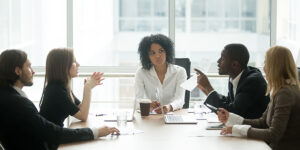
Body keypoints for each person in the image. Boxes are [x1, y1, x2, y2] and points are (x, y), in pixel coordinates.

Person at [0, 49, 119, 150]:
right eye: (29, 66)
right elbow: (53, 133)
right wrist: (95, 132)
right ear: (17, 71)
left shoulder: (9, 96)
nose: (34, 71)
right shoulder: (18, 102)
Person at [218, 46, 300, 149]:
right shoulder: (281, 90)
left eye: (266, 63)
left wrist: (237, 129)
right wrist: (231, 118)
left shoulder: (285, 94)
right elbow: (262, 122)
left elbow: (273, 134)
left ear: (274, 66)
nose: (264, 68)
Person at [195, 43, 269, 119]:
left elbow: (233, 112)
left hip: (254, 128)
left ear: (234, 64)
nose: (218, 61)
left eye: (222, 58)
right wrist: (206, 90)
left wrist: (209, 88)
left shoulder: (252, 81)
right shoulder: (234, 76)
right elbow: (229, 102)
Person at [39, 48, 103, 127]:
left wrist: (88, 87)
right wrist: (87, 88)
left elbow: (81, 108)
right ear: (63, 66)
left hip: (55, 134)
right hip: (49, 138)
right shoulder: (56, 90)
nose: (78, 64)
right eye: (74, 61)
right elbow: (83, 116)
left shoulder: (62, 87)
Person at [135, 34, 187, 114]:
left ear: (167, 51)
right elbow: (137, 100)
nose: (157, 56)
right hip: (151, 117)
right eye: (152, 53)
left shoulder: (180, 72)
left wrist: (169, 107)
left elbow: (180, 99)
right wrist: (147, 104)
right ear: (147, 56)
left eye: (161, 51)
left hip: (173, 115)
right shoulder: (141, 73)